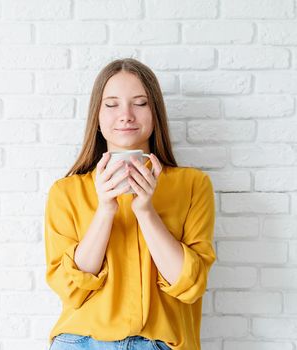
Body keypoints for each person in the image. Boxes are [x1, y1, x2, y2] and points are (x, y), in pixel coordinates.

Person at [44, 58, 216, 350]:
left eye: (139, 103)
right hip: (81, 342)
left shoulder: (192, 185)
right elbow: (71, 289)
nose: (126, 115)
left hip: (160, 343)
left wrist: (146, 211)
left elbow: (189, 285)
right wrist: (105, 210)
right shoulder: (66, 191)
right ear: (97, 117)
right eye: (111, 104)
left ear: (155, 113)